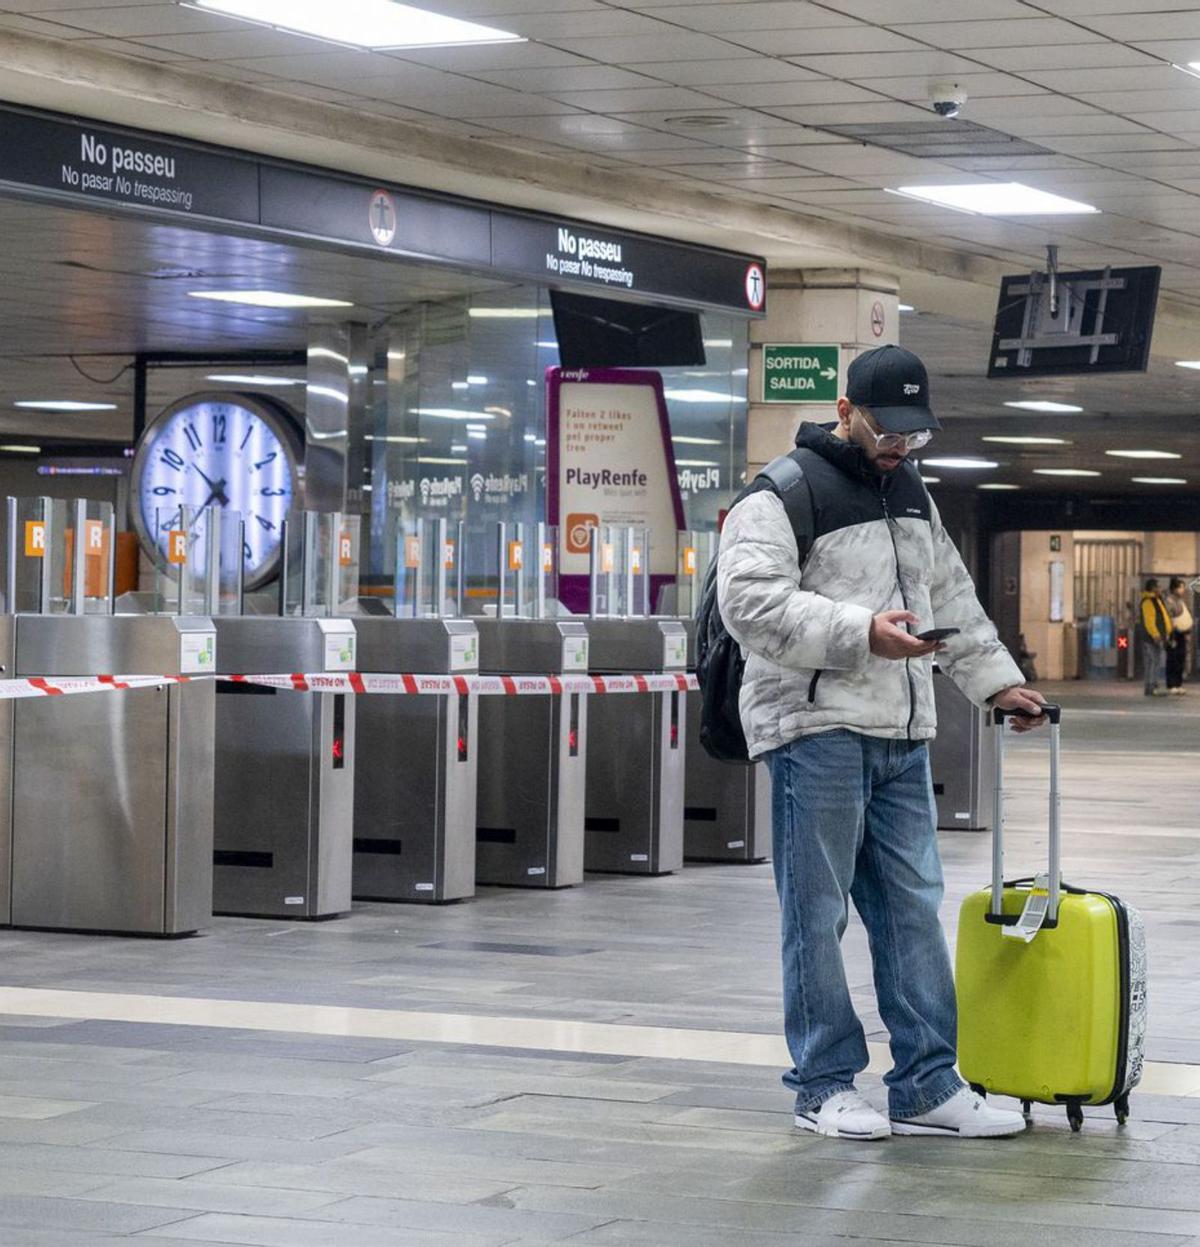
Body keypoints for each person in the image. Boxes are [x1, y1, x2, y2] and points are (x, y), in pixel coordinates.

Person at [718, 344, 1047, 1142]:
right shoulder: (783, 491)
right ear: (845, 411)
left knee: (912, 907)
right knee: (818, 911)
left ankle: (928, 1082)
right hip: (814, 728)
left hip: (902, 730)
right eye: (888, 429)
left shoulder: (911, 492)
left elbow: (952, 599)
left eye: (915, 434)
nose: (901, 446)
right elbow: (750, 604)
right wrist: (861, 632)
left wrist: (996, 682)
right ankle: (823, 1083)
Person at [1138, 579, 1173, 697]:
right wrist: (1156, 635)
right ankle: (1151, 687)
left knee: (1153, 661)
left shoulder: (1157, 600)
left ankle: (1150, 686)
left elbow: (1164, 618)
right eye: (1158, 587)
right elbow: (1149, 621)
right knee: (1153, 662)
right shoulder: (1148, 602)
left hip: (1156, 636)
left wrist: (1167, 632)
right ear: (1153, 588)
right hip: (1151, 638)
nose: (1160, 589)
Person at [1165, 577, 1193, 695]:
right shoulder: (1169, 601)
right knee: (1173, 658)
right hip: (1173, 633)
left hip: (1182, 633)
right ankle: (1171, 684)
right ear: (1174, 588)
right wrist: (1170, 634)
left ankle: (1178, 683)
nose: (1183, 589)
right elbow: (1169, 617)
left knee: (1180, 659)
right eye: (1181, 587)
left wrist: (1187, 632)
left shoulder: (1181, 601)